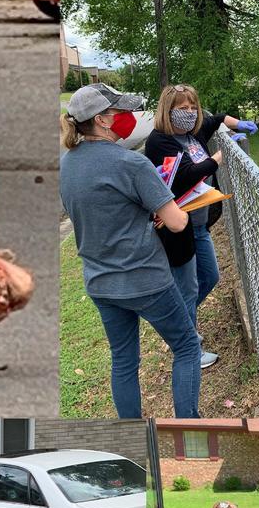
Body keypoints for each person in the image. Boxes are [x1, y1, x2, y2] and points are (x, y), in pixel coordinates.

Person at [60, 82, 200, 418]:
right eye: (121, 112)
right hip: (145, 279)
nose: (129, 118)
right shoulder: (130, 163)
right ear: (104, 120)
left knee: (123, 361)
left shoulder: (67, 164)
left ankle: (131, 431)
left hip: (100, 281)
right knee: (186, 346)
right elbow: (177, 222)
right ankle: (187, 426)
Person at [145, 83, 258, 369]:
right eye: (181, 108)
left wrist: (238, 123)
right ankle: (188, 346)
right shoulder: (161, 141)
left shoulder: (192, 135)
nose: (189, 112)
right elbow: (185, 177)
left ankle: (178, 324)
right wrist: (221, 156)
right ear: (167, 111)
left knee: (209, 277)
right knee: (187, 289)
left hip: (199, 225)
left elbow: (217, 118)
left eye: (192, 106)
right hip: (177, 228)